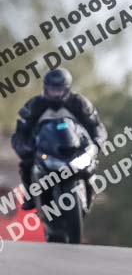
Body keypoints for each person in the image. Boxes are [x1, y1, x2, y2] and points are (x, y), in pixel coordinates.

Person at [11, 68, 107, 210]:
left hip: (75, 149)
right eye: (52, 90)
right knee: (26, 164)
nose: (56, 94)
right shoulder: (35, 105)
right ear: (45, 88)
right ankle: (30, 196)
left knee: (91, 163)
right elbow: (20, 132)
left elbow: (96, 126)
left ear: (67, 89)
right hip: (45, 151)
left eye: (59, 90)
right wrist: (24, 147)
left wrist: (97, 143)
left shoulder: (79, 103)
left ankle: (90, 191)